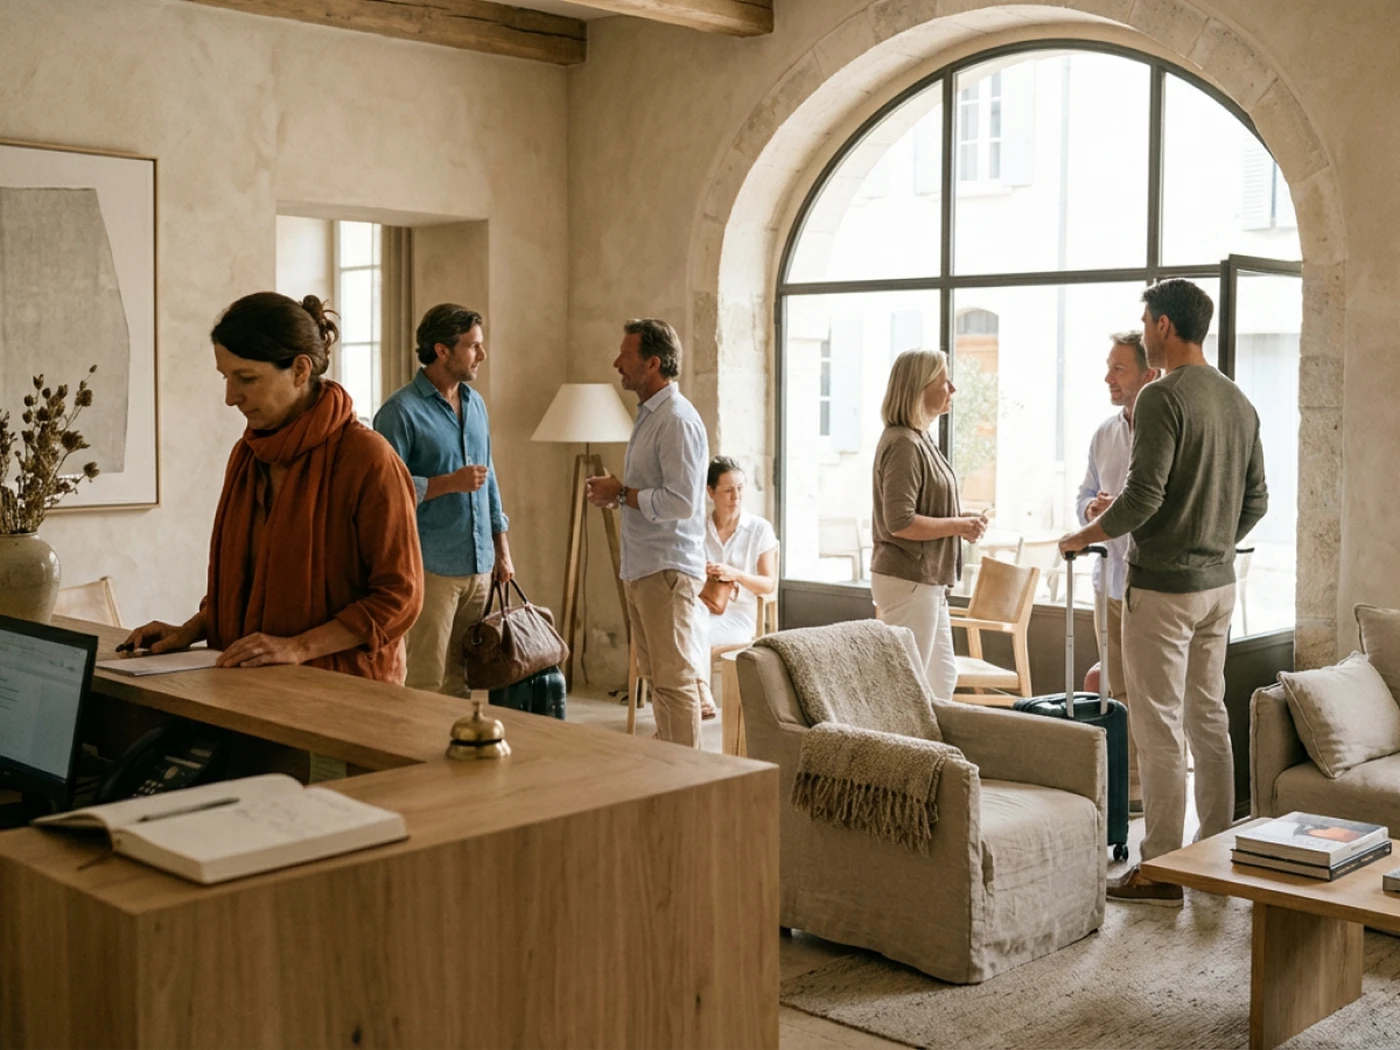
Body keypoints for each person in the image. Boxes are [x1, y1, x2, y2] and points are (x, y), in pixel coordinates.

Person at [1059, 278, 1268, 905]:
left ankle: (1163, 869)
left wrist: (1081, 535)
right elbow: (1257, 500)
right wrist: (1212, 541)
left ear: (1165, 328)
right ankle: (1216, 850)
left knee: (1157, 727)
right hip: (1218, 587)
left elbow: (1142, 497)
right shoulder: (1238, 401)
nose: (1144, 329)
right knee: (1209, 717)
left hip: (1166, 589)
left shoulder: (1161, 397)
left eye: (1146, 320)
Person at [122, 292, 423, 682]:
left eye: (246, 378)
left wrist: (298, 647)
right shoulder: (247, 455)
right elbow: (248, 583)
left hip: (344, 693)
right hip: (250, 687)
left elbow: (399, 597)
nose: (231, 398)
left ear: (300, 370)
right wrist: (192, 630)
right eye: (226, 378)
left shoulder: (368, 458)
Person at [374, 304, 513, 697]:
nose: (481, 355)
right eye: (473, 346)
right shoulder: (399, 412)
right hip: (431, 568)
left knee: (462, 681)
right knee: (426, 681)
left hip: (480, 566)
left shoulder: (476, 404)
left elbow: (491, 479)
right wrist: (447, 483)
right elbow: (384, 493)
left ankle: (458, 755)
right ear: (442, 350)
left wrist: (502, 550)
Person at [585, 318, 709, 747]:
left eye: (627, 355)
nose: (616, 362)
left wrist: (623, 494)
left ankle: (687, 779)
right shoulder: (651, 415)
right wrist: (621, 495)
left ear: (653, 363)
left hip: (667, 570)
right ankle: (668, 772)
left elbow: (682, 502)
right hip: (644, 567)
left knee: (674, 682)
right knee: (658, 681)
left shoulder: (675, 419)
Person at [870, 349, 988, 699]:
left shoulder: (919, 438)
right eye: (943, 381)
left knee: (941, 678)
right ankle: (898, 752)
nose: (952, 388)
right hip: (909, 578)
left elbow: (921, 507)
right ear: (919, 388)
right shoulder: (904, 443)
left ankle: (929, 752)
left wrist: (960, 519)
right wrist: (957, 526)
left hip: (926, 579)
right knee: (909, 685)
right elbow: (899, 521)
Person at [1076, 331, 1160, 813]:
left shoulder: (1163, 430)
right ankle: (1125, 787)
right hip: (1105, 579)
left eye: (1118, 368)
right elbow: (1086, 491)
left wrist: (1120, 511)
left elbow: (1156, 502)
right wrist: (1092, 510)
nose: (1108, 377)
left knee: (1145, 692)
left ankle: (1146, 790)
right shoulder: (1104, 433)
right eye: (1109, 367)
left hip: (1146, 584)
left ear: (1148, 374)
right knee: (1113, 686)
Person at [700, 455, 779, 718]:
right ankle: (699, 693)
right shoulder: (698, 528)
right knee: (688, 625)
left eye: (740, 489)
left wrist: (736, 575)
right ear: (711, 492)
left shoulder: (759, 528)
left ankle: (698, 696)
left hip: (740, 614)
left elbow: (768, 585)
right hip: (702, 608)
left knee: (690, 637)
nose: (736, 497)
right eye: (728, 490)